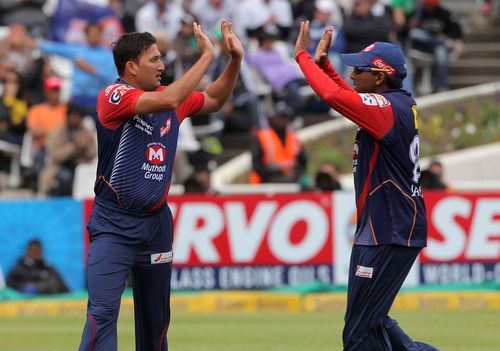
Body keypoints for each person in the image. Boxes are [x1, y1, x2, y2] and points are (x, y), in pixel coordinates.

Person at [78, 20, 243, 351]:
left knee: (157, 322)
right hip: (114, 224)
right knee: (102, 314)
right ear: (131, 66)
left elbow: (213, 99)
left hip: (155, 224)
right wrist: (207, 55)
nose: (161, 65)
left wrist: (234, 61)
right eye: (154, 59)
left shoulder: (170, 98)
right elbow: (170, 99)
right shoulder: (115, 95)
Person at [294, 22, 438, 351]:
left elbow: (333, 95)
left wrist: (301, 57)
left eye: (358, 69)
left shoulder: (387, 109)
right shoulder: (392, 105)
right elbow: (344, 94)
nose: (352, 75)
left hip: (389, 229)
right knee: (372, 320)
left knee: (360, 334)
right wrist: (324, 66)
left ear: (380, 77)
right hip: (385, 227)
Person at [38, 103, 97, 197]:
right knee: (64, 177)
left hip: (79, 165)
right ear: (68, 116)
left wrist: (85, 146)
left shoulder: (86, 131)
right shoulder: (56, 132)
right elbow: (55, 155)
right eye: (73, 116)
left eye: (77, 117)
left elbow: (93, 154)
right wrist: (73, 146)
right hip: (59, 166)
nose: (75, 119)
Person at [249, 101, 307, 184]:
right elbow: (257, 166)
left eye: (285, 117)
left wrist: (296, 173)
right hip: (266, 182)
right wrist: (278, 171)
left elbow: (303, 162)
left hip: (292, 180)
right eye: (281, 117)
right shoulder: (262, 136)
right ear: (274, 118)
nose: (283, 121)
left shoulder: (294, 138)